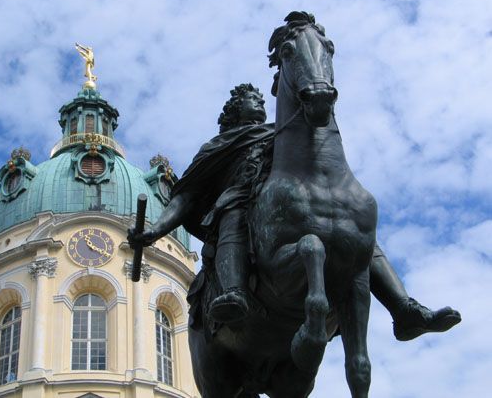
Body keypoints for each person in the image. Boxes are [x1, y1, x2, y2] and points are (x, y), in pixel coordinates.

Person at [129, 83, 461, 341]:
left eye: (260, 98)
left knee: (354, 232)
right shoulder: (219, 146)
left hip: (287, 206)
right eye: (248, 98)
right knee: (232, 211)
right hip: (244, 210)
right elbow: (186, 197)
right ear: (232, 111)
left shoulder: (284, 131)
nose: (258, 101)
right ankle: (234, 292)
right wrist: (156, 230)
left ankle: (404, 310)